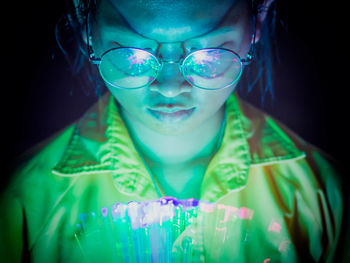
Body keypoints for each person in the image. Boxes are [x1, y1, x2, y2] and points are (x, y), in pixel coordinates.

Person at [0, 0, 348, 262]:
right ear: (86, 25)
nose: (169, 88)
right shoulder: (23, 206)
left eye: (209, 55)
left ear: (257, 23)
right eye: (134, 54)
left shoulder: (323, 199)